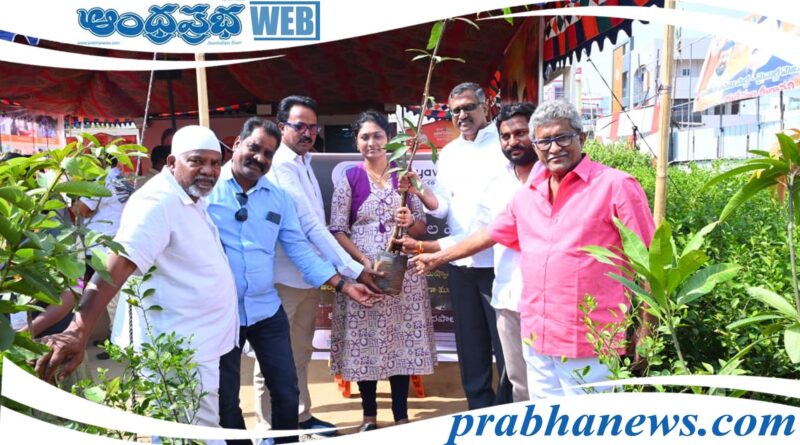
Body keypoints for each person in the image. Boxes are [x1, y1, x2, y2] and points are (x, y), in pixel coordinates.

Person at [412, 100, 656, 399]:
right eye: (544, 141)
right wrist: (438, 256)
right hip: (537, 337)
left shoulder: (616, 186)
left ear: (581, 138)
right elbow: (489, 233)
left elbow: (649, 262)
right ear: (536, 146)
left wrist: (647, 332)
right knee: (544, 420)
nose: (553, 148)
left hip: (591, 340)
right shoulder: (528, 194)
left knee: (590, 422)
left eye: (562, 138)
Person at [36, 125, 238, 444]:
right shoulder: (158, 201)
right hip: (175, 351)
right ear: (171, 162)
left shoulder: (190, 196)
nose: (209, 170)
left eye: (215, 163)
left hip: (195, 346)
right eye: (197, 161)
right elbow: (117, 265)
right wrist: (78, 330)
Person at [208, 118, 380, 445]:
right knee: (225, 397)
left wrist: (344, 284)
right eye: (254, 148)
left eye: (268, 154)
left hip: (265, 308)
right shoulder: (208, 192)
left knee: (287, 389)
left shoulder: (278, 197)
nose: (260, 158)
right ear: (237, 143)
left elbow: (299, 247)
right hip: (222, 312)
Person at [401, 102, 538, 402]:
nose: (461, 115)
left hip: (496, 265)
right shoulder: (450, 152)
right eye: (455, 110)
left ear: (485, 108)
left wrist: (434, 251)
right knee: (471, 344)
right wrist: (421, 190)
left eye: (468, 107)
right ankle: (479, 410)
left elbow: (494, 229)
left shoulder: (506, 155)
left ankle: (505, 409)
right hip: (461, 262)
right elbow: (442, 207)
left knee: (508, 350)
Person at [261, 95, 380, 435]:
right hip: (281, 278)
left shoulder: (304, 162)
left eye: (313, 127)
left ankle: (299, 416)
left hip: (308, 277)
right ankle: (271, 429)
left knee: (299, 352)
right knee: (272, 357)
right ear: (281, 127)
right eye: (300, 126)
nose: (308, 133)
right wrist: (354, 270)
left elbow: (317, 227)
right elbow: (311, 225)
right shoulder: (281, 166)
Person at [328, 111, 436, 431]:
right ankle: (369, 416)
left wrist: (409, 222)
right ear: (356, 142)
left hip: (402, 272)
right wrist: (362, 261)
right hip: (364, 274)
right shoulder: (350, 178)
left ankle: (401, 416)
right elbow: (337, 229)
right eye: (364, 137)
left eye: (377, 135)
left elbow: (421, 225)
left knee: (399, 343)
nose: (371, 142)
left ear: (389, 139)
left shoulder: (404, 176)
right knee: (365, 343)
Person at [73, 155, 133, 360]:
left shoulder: (100, 179)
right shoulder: (120, 178)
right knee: (118, 298)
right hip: (118, 242)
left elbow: (82, 210)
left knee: (110, 298)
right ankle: (115, 337)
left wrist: (75, 195)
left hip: (104, 246)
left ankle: (117, 344)